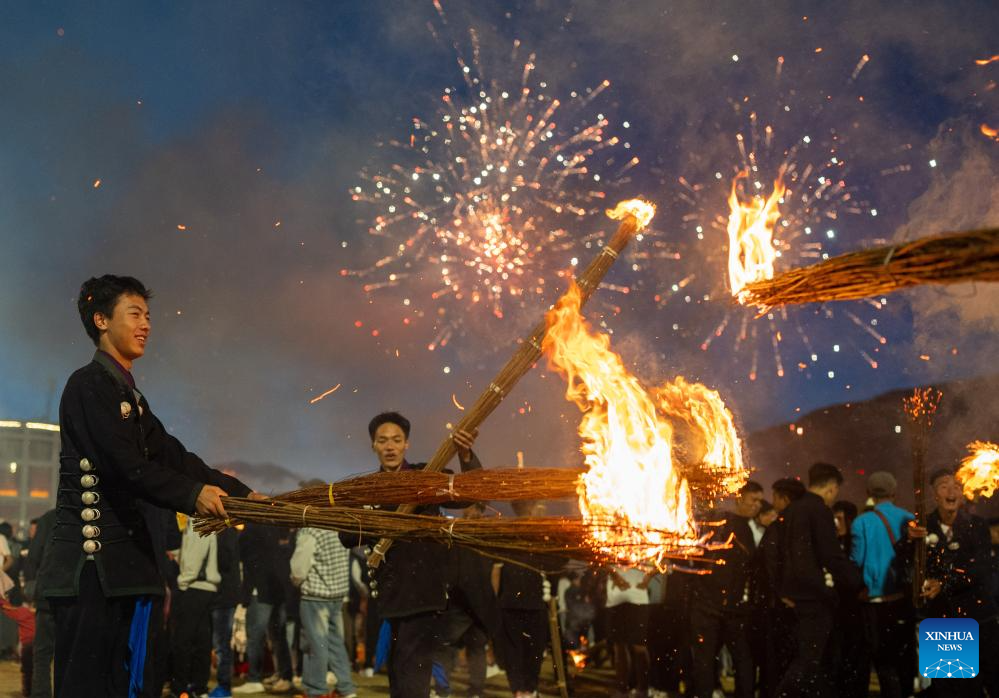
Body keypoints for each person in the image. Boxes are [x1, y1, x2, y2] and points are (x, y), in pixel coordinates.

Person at [36, 275, 263, 698]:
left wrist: (242, 494)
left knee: (128, 686)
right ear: (101, 320)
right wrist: (194, 496)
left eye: (148, 315)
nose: (146, 325)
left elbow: (175, 457)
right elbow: (126, 466)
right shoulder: (87, 385)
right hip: (92, 571)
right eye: (135, 314)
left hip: (127, 571)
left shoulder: (131, 397)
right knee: (87, 687)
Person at [340, 411, 497, 698]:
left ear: (406, 445)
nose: (389, 446)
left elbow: (472, 493)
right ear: (373, 446)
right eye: (382, 440)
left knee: (413, 677)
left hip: (423, 595)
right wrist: (368, 518)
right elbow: (346, 536)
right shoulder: (367, 488)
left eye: (396, 440)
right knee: (399, 675)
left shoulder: (427, 476)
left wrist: (465, 454)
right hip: (390, 597)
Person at [899, 469, 999, 698]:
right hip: (944, 620)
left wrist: (944, 582)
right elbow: (903, 559)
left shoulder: (977, 525)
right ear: (934, 494)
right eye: (944, 485)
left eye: (956, 485)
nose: (951, 490)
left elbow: (981, 568)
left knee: (989, 683)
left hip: (979, 616)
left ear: (963, 494)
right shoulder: (924, 525)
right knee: (948, 688)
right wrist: (908, 540)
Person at [773, 463, 862, 698]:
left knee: (801, 659)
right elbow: (829, 554)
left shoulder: (791, 510)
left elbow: (777, 553)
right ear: (832, 488)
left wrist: (780, 589)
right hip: (813, 598)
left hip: (791, 598)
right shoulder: (819, 510)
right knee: (809, 662)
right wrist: (856, 581)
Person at [690, 481, 763, 698]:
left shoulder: (747, 527)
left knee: (739, 657)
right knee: (709, 658)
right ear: (739, 499)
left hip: (731, 607)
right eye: (754, 500)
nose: (757, 505)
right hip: (712, 605)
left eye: (760, 501)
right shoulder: (725, 525)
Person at [849, 471, 913, 698]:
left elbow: (856, 561)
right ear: (895, 492)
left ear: (868, 493)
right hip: (901, 600)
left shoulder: (861, 522)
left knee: (883, 662)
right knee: (902, 660)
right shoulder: (909, 518)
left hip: (874, 603)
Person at [291, 520, 358, 698]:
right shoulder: (338, 525)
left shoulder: (311, 531)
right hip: (337, 595)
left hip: (315, 595)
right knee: (336, 644)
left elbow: (298, 569)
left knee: (315, 644)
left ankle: (316, 690)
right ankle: (346, 688)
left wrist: (295, 581)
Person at [755, 477, 804, 698]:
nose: (771, 501)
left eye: (775, 496)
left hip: (778, 607)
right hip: (797, 606)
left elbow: (769, 565)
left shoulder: (780, 528)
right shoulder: (802, 524)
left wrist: (780, 594)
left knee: (775, 662)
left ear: (784, 499)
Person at [170, 514, 221, 698]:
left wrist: (183, 582)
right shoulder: (206, 522)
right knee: (201, 639)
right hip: (206, 586)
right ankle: (199, 687)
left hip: (194, 586)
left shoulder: (196, 521)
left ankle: (180, 687)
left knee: (183, 640)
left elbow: (194, 556)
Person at [24, 508, 57, 698]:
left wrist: (31, 587)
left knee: (43, 654)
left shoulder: (49, 518)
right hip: (76, 597)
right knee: (68, 653)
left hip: (48, 592)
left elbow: (33, 556)